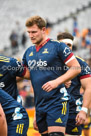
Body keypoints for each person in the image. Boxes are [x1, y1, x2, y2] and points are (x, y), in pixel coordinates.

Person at [22, 15, 81, 136]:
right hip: (39, 104)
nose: (30, 35)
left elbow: (76, 68)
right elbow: (27, 75)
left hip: (57, 101)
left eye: (34, 32)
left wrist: (57, 81)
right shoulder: (28, 51)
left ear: (43, 30)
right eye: (28, 32)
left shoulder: (58, 46)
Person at [57, 32, 91, 136]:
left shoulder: (81, 63)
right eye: (63, 44)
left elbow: (88, 87)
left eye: (69, 45)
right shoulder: (50, 63)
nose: (66, 48)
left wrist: (84, 110)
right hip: (54, 108)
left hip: (73, 110)